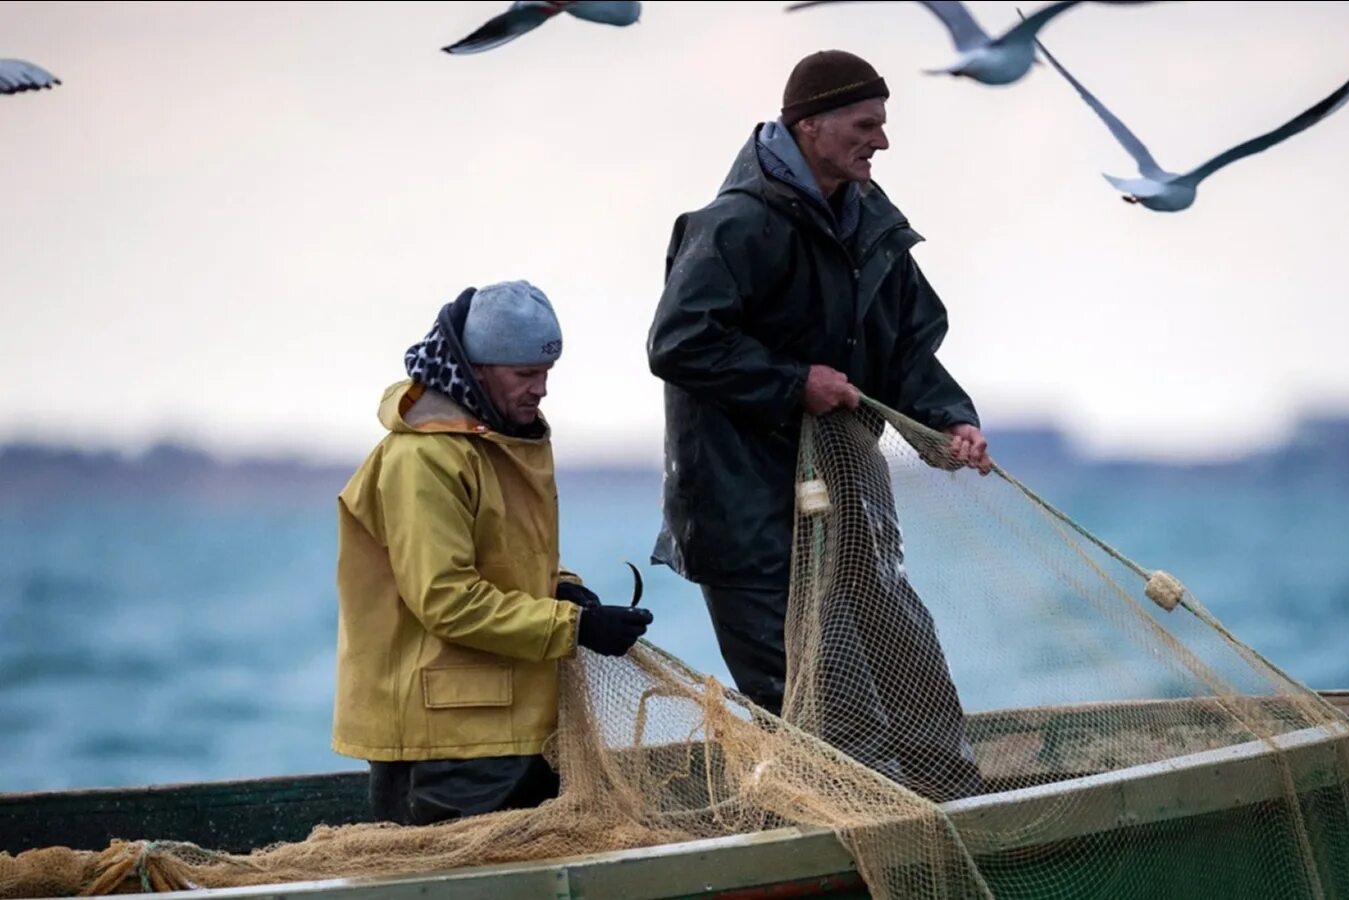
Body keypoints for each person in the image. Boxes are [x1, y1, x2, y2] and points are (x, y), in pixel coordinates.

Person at [645, 50, 992, 801]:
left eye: (883, 126)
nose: (882, 142)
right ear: (812, 125)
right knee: (817, 693)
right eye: (868, 125)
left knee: (903, 651)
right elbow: (677, 342)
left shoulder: (869, 224)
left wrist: (950, 423)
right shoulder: (735, 225)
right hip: (743, 513)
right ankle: (868, 829)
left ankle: (948, 805)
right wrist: (794, 382)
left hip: (840, 500)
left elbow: (905, 350)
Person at [333, 280, 654, 827]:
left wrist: (564, 586)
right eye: (525, 375)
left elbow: (510, 555)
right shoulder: (425, 459)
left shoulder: (502, 438)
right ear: (478, 370)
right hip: (442, 739)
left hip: (503, 719)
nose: (541, 390)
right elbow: (446, 599)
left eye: (546, 373)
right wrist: (574, 627)